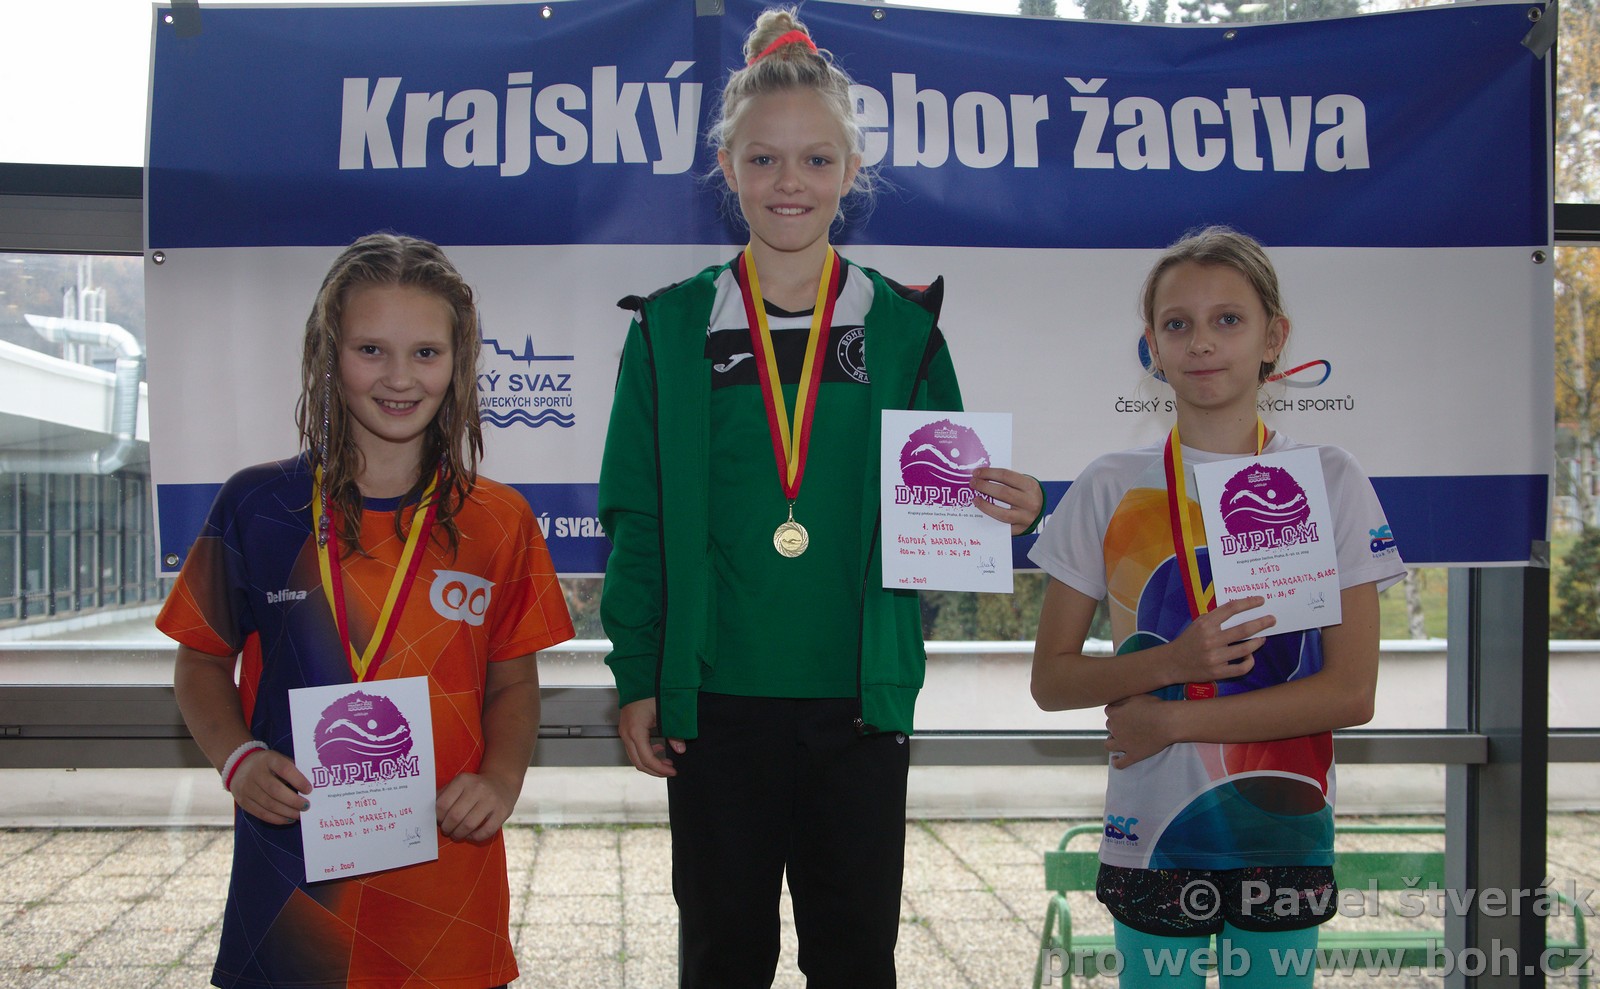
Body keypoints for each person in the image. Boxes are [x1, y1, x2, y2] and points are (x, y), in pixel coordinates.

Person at [597, 8, 1044, 988]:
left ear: (850, 169)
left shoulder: (905, 331)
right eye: (763, 160)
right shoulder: (670, 328)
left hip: (858, 703)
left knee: (854, 958)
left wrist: (1009, 507)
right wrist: (637, 672)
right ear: (728, 168)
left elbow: (947, 499)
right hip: (714, 702)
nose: (787, 182)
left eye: (813, 159)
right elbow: (636, 517)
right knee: (723, 957)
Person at [158, 233, 574, 989]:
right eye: (371, 349)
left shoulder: (500, 519)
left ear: (458, 362)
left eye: (426, 352)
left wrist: (501, 779)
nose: (400, 377)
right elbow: (200, 663)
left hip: (447, 881)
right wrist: (237, 758)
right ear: (329, 353)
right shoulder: (258, 504)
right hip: (293, 878)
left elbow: (513, 682)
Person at [1028, 226, 1406, 987]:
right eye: (1178, 324)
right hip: (1152, 832)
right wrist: (1173, 663)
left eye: (1228, 319)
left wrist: (1171, 720)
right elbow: (1052, 681)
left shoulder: (1328, 478)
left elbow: (1350, 692)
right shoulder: (1110, 484)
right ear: (1152, 347)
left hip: (1283, 829)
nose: (1201, 342)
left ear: (1274, 338)